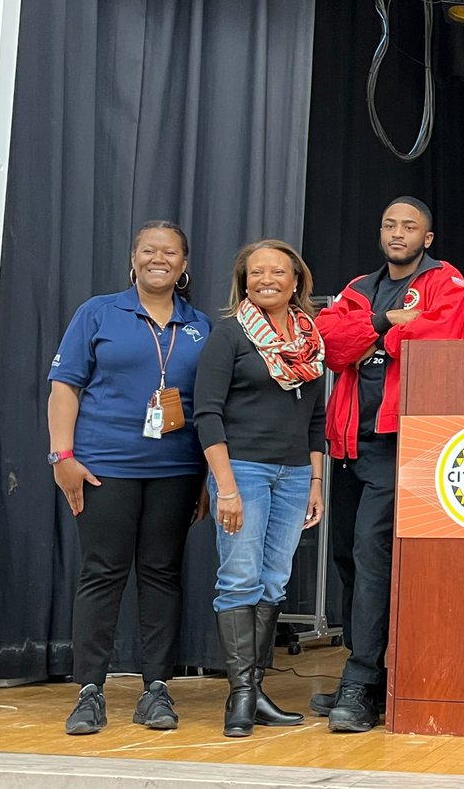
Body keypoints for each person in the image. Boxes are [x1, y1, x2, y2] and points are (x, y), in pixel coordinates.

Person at [311, 197, 464, 733]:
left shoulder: (447, 282)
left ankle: (359, 681)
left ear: (428, 237)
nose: (397, 233)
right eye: (389, 224)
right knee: (346, 559)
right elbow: (328, 345)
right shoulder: (359, 288)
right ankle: (368, 671)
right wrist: (382, 322)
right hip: (349, 440)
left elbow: (438, 336)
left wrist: (373, 338)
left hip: (400, 440)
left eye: (410, 226)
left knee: (372, 555)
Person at [48, 220, 210, 735]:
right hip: (103, 468)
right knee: (102, 572)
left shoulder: (201, 326)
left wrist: (206, 476)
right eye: (148, 250)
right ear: (134, 258)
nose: (158, 258)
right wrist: (62, 457)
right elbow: (64, 388)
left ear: (184, 265)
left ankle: (157, 689)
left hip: (177, 470)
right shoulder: (98, 312)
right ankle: (89, 691)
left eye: (170, 252)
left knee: (162, 574)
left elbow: (210, 408)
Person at [194, 239, 326, 738]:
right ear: (243, 281)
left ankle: (254, 690)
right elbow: (207, 413)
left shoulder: (312, 341)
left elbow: (316, 421)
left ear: (297, 281)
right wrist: (224, 486)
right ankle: (240, 697)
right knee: (240, 579)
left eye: (277, 272)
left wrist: (315, 482)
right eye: (256, 273)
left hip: (294, 476)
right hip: (242, 472)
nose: (266, 279)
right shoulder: (229, 334)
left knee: (273, 582)